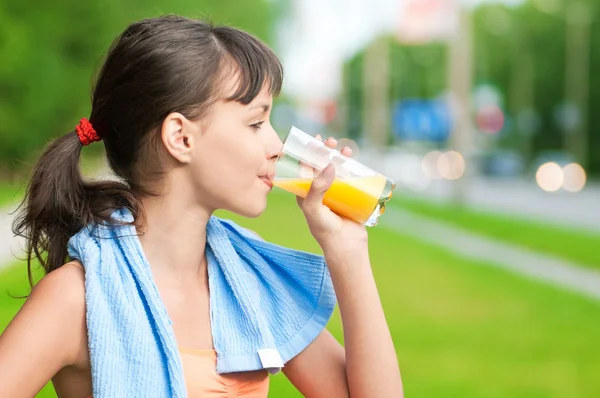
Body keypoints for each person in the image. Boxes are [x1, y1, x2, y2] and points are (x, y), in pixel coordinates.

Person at [0, 15, 403, 398]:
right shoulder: (78, 297)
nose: (277, 146)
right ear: (181, 136)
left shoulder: (249, 280)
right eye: (256, 123)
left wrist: (347, 250)